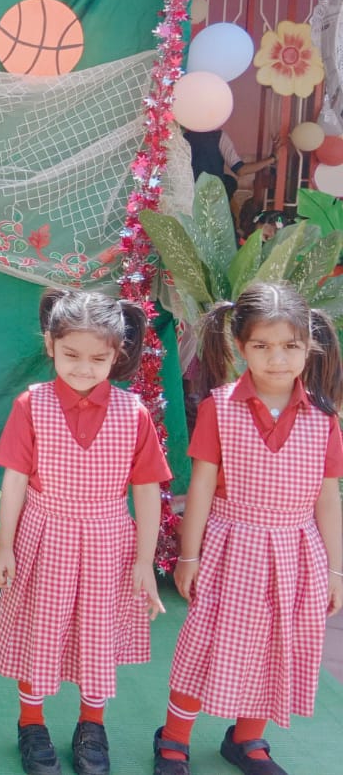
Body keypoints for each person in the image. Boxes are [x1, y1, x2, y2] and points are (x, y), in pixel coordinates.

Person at [152, 283, 343, 775]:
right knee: (205, 641)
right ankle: (174, 738)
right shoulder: (219, 408)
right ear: (240, 346)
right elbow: (200, 486)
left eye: (290, 346)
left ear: (309, 344)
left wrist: (336, 570)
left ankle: (247, 739)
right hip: (231, 547)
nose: (277, 359)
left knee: (278, 643)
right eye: (262, 345)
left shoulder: (324, 417)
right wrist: (188, 556)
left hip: (297, 553)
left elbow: (327, 497)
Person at [0, 288, 170, 775]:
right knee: (39, 631)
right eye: (71, 355)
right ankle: (31, 723)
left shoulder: (134, 413)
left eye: (98, 358)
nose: (84, 368)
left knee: (98, 633)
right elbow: (15, 481)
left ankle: (93, 724)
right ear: (50, 345)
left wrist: (144, 561)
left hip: (108, 541)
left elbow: (147, 491)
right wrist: (4, 545)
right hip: (44, 538)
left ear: (117, 354)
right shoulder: (31, 405)